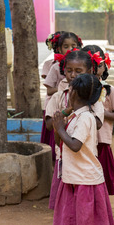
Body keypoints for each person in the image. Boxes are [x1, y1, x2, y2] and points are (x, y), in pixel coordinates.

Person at [51, 73, 114, 225]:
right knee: (76, 220)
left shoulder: (87, 118)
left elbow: (75, 145)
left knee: (87, 222)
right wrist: (60, 124)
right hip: (73, 178)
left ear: (74, 93)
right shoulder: (76, 116)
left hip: (86, 180)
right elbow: (60, 141)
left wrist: (60, 128)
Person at [45, 50, 104, 210]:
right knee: (66, 204)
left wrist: (77, 110)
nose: (73, 75)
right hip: (64, 157)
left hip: (84, 160)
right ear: (63, 70)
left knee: (83, 205)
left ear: (90, 72)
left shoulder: (94, 100)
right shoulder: (58, 96)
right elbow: (50, 125)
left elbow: (97, 124)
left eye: (78, 71)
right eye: (69, 70)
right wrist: (66, 113)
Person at [83, 45, 114, 195]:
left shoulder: (108, 90)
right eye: (90, 66)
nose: (94, 70)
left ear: (105, 66)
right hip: (83, 141)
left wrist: (100, 112)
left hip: (102, 141)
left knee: (102, 179)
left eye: (98, 65)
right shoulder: (78, 90)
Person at [42, 31, 83, 162]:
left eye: (73, 46)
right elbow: (49, 91)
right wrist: (64, 89)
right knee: (55, 141)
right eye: (66, 46)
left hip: (73, 105)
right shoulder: (55, 67)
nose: (70, 49)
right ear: (59, 48)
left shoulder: (81, 65)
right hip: (56, 107)